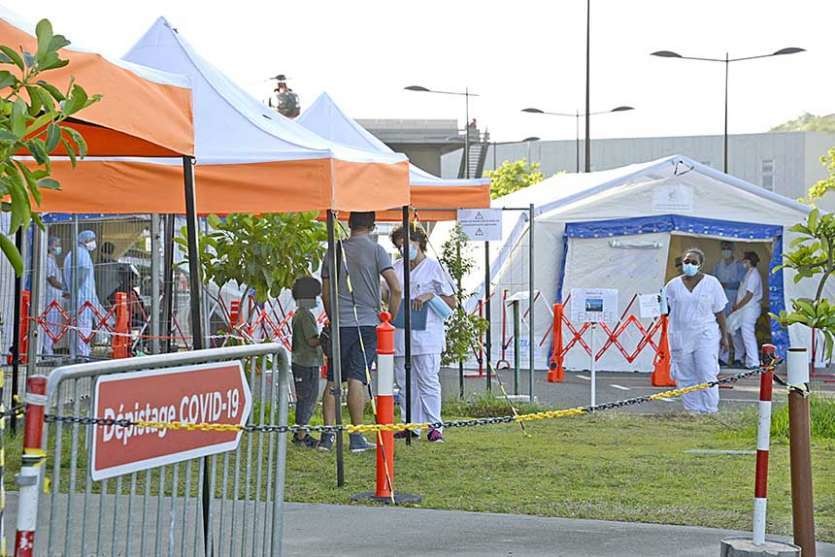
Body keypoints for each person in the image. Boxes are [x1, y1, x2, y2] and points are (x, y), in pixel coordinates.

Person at [320, 211, 402, 453]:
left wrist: (334, 316)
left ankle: (328, 436)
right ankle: (356, 437)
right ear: (373, 225)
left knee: (334, 379)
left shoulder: (334, 250)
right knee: (358, 377)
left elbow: (325, 291)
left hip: (341, 323)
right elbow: (396, 288)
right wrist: (389, 317)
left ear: (349, 223)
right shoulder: (377, 251)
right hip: (367, 324)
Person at [389, 224, 456, 443]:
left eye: (407, 244)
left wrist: (430, 296)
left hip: (427, 334)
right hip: (401, 332)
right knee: (405, 381)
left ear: (419, 243)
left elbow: (451, 302)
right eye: (399, 246)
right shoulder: (396, 268)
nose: (403, 249)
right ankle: (410, 425)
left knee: (427, 379)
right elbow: (387, 293)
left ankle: (435, 426)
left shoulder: (435, 268)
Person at [664, 248, 730, 414]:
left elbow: (720, 311)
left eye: (694, 262)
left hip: (705, 333)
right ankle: (692, 409)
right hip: (680, 334)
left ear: (701, 265)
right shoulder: (672, 285)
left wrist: (725, 336)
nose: (690, 265)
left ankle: (710, 409)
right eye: (687, 261)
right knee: (685, 374)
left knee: (706, 370)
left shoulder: (712, 283)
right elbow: (664, 308)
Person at [290, 276, 324, 449]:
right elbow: (312, 340)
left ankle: (300, 432)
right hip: (307, 363)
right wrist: (325, 335)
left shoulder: (298, 314)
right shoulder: (306, 316)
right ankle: (301, 435)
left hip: (299, 362)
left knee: (303, 399)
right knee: (308, 399)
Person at [63, 230, 107, 359]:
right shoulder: (82, 254)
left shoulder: (71, 254)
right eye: (92, 239)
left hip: (77, 297)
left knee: (75, 327)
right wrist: (73, 291)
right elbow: (81, 275)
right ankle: (83, 355)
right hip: (83, 297)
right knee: (84, 326)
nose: (94, 242)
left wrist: (68, 291)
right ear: (85, 240)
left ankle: (75, 354)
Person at [729, 252, 763, 369]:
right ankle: (741, 357)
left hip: (749, 309)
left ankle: (753, 362)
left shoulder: (754, 275)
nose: (743, 262)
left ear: (749, 261)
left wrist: (737, 306)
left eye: (744, 260)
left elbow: (749, 295)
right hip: (744, 309)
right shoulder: (749, 273)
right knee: (733, 329)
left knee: (747, 334)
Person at [713, 241, 745, 364]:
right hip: (721, 299)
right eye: (723, 248)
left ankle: (739, 356)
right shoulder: (718, 265)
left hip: (734, 298)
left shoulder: (738, 265)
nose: (725, 250)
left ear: (732, 249)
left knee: (735, 329)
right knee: (722, 328)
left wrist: (726, 284)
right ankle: (723, 357)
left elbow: (742, 283)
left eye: (728, 248)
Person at [43, 236, 66, 356]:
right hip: (51, 297)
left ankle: (49, 348)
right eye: (56, 244)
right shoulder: (47, 261)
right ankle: (47, 351)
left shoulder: (52, 260)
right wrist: (65, 288)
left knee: (54, 324)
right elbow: (52, 280)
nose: (58, 247)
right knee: (50, 324)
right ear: (49, 246)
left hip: (56, 298)